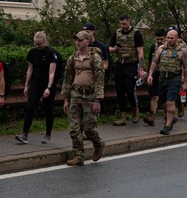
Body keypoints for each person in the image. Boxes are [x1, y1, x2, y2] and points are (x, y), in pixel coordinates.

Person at [58, 31, 106, 166]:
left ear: (87, 41)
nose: (77, 43)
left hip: (90, 96)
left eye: (80, 40)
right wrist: (66, 98)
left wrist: (97, 100)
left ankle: (99, 144)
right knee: (74, 128)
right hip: (75, 95)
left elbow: (100, 79)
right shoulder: (72, 58)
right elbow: (67, 79)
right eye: (76, 40)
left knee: (88, 127)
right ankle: (79, 155)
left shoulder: (95, 58)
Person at [17, 31, 61, 144]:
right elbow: (30, 69)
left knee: (48, 109)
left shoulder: (52, 53)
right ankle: (24, 134)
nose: (38, 46)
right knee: (30, 107)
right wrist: (26, 85)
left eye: (40, 44)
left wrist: (49, 88)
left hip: (47, 83)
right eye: (36, 44)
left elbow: (52, 73)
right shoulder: (32, 53)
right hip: (36, 82)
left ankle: (48, 135)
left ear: (45, 41)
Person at [146, 28, 187, 134]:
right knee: (162, 102)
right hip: (162, 78)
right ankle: (171, 116)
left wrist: (185, 82)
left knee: (171, 101)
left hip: (174, 78)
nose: (169, 40)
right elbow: (154, 62)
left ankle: (167, 125)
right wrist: (150, 74)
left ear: (177, 38)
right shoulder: (161, 48)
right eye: (168, 38)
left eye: (172, 38)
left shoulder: (182, 51)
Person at [108, 14, 145, 125]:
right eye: (121, 23)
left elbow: (140, 52)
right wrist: (114, 49)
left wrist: (141, 69)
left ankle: (134, 109)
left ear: (129, 21)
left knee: (129, 90)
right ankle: (122, 116)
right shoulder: (117, 33)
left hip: (131, 64)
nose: (122, 26)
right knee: (119, 90)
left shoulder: (136, 34)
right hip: (120, 64)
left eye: (124, 23)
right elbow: (109, 48)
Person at [143, 30, 166, 125]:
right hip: (155, 74)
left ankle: (168, 116)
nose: (159, 41)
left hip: (166, 74)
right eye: (158, 39)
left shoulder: (169, 48)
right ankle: (152, 117)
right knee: (154, 96)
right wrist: (148, 73)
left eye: (161, 39)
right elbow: (150, 61)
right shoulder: (153, 47)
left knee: (165, 98)